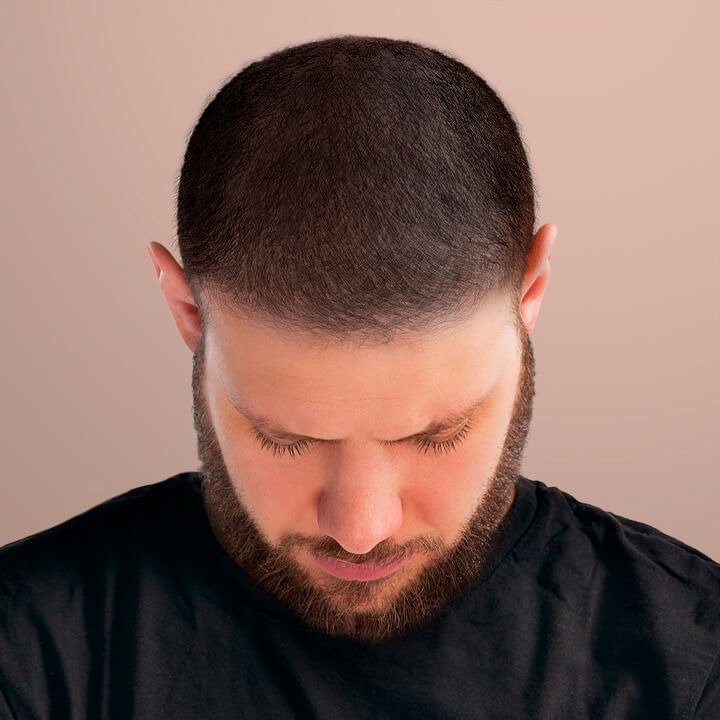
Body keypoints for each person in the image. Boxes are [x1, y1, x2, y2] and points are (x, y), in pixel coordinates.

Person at [0, 35, 717, 720]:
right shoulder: (25, 652)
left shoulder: (696, 661)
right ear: (187, 311)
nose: (360, 531)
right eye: (286, 439)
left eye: (436, 436)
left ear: (529, 297)